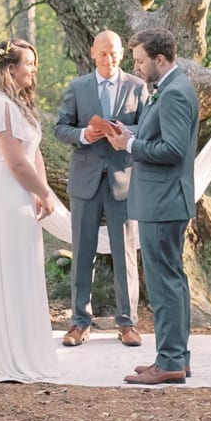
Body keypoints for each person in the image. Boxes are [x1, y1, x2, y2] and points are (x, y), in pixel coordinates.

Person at [0, 39, 59, 381]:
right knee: (8, 267)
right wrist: (44, 194)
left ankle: (25, 341)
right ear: (9, 68)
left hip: (21, 195)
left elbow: (35, 154)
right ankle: (8, 349)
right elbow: (16, 163)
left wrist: (39, 191)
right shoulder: (1, 107)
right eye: (28, 63)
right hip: (5, 195)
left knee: (23, 268)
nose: (33, 69)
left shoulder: (18, 105)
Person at [106, 27, 199, 386]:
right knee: (172, 281)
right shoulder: (170, 89)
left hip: (163, 200)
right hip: (163, 199)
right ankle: (176, 356)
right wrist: (131, 136)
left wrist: (129, 147)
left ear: (160, 59)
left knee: (164, 285)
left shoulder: (174, 93)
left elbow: (173, 150)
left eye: (141, 61)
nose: (137, 67)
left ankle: (171, 361)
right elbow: (159, 138)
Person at [53, 29, 148, 349]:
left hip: (123, 180)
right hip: (86, 180)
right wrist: (83, 136)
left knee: (125, 255)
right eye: (104, 53)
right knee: (82, 252)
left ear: (122, 54)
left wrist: (126, 131)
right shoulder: (78, 87)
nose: (109, 59)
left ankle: (127, 323)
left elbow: (149, 126)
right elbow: (60, 128)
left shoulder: (137, 87)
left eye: (115, 53)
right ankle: (79, 322)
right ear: (93, 53)